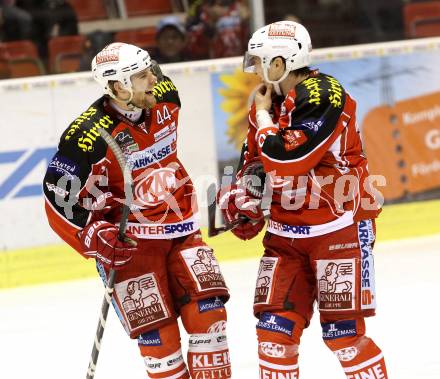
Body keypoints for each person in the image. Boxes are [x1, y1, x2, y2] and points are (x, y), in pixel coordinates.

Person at [43, 42, 231, 379]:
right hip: (131, 248)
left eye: (151, 71)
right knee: (160, 344)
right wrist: (91, 233)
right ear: (118, 86)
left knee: (210, 318)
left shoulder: (167, 97)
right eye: (142, 76)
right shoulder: (87, 135)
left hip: (183, 231)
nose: (153, 80)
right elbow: (57, 193)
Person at [217, 21, 388, 378]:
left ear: (280, 62)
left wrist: (262, 117)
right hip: (286, 236)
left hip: (339, 230)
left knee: (344, 338)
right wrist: (244, 194)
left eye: (261, 61)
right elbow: (255, 159)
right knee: (273, 334)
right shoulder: (269, 101)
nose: (255, 71)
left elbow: (287, 158)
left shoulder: (324, 94)